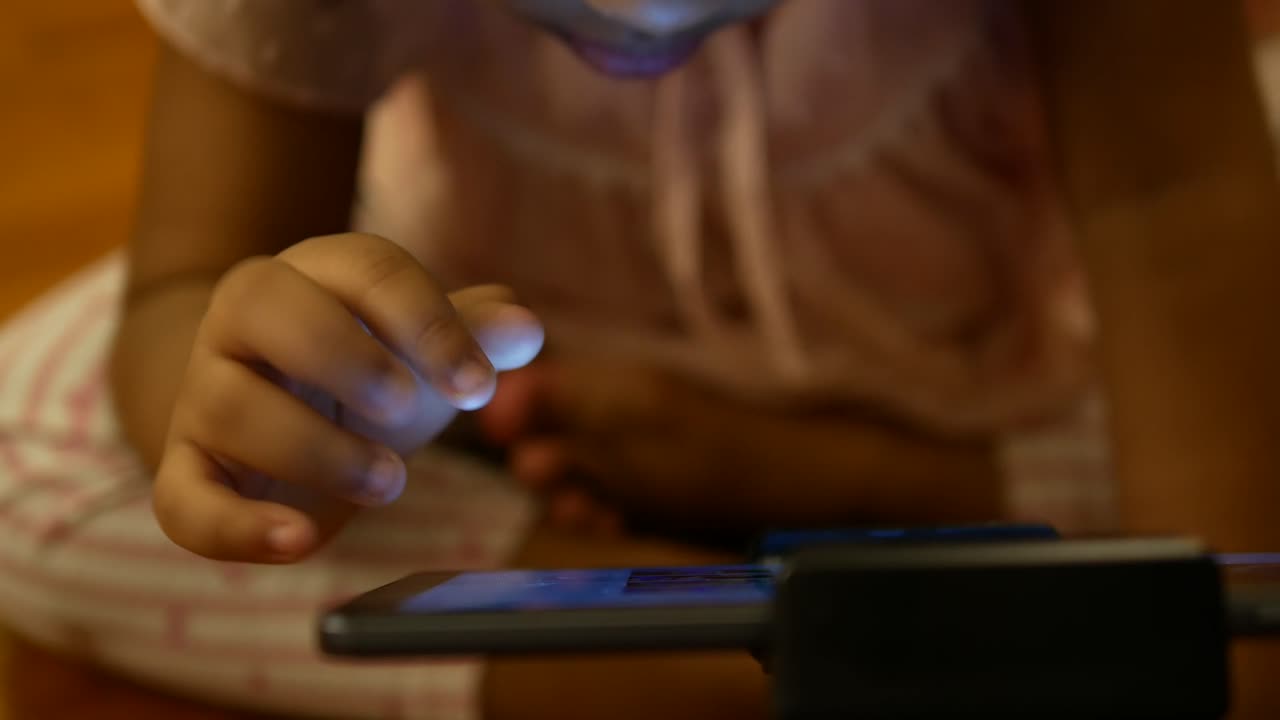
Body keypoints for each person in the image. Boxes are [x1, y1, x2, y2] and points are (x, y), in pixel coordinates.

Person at [0, 0, 1277, 717]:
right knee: (25, 461)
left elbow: (1176, 210)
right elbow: (187, 286)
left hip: (999, 357)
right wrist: (270, 411)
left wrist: (1230, 678)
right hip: (510, 403)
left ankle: (861, 504)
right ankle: (793, 641)